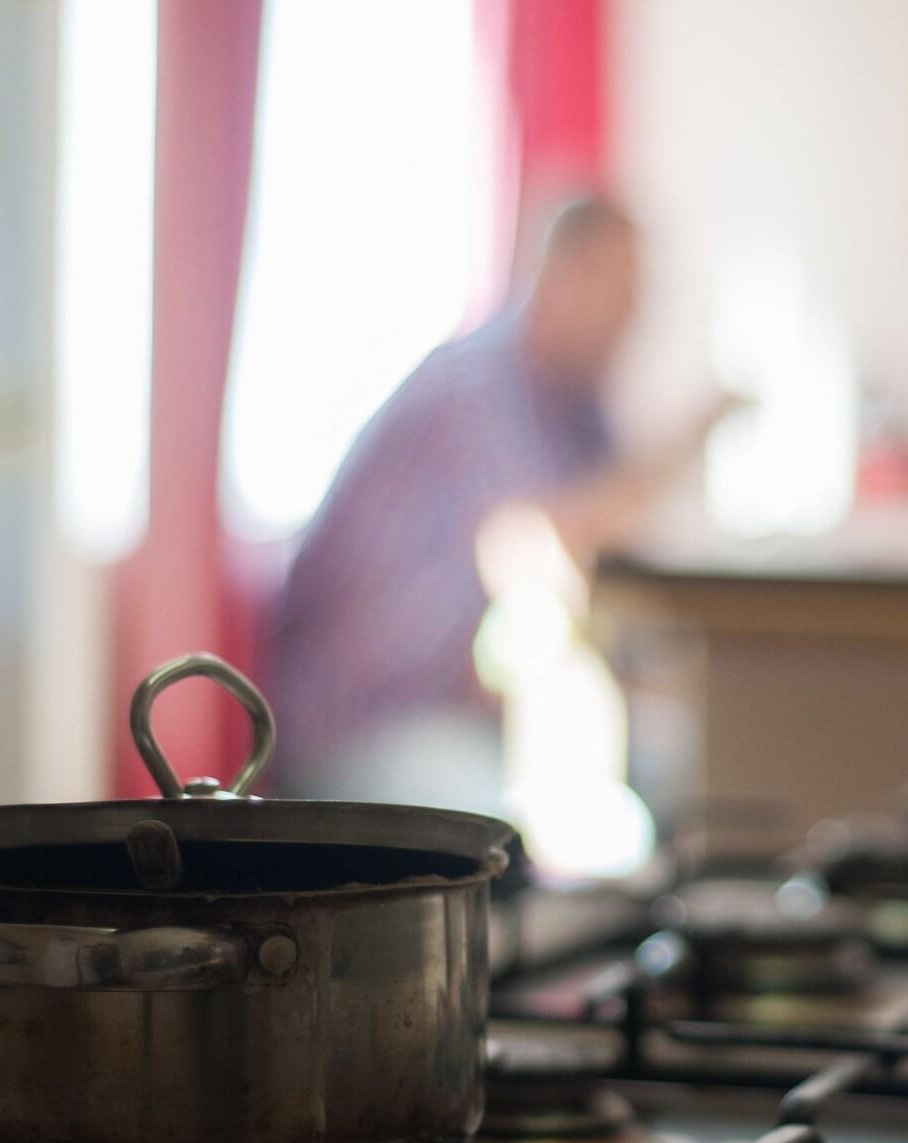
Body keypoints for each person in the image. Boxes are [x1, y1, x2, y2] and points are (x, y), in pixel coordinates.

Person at [268, 196, 702, 804]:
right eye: (621, 290)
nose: (633, 316)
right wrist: (682, 447)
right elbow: (530, 540)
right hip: (368, 727)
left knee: (672, 768)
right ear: (562, 276)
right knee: (505, 822)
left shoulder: (578, 410)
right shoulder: (474, 390)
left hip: (478, 722)